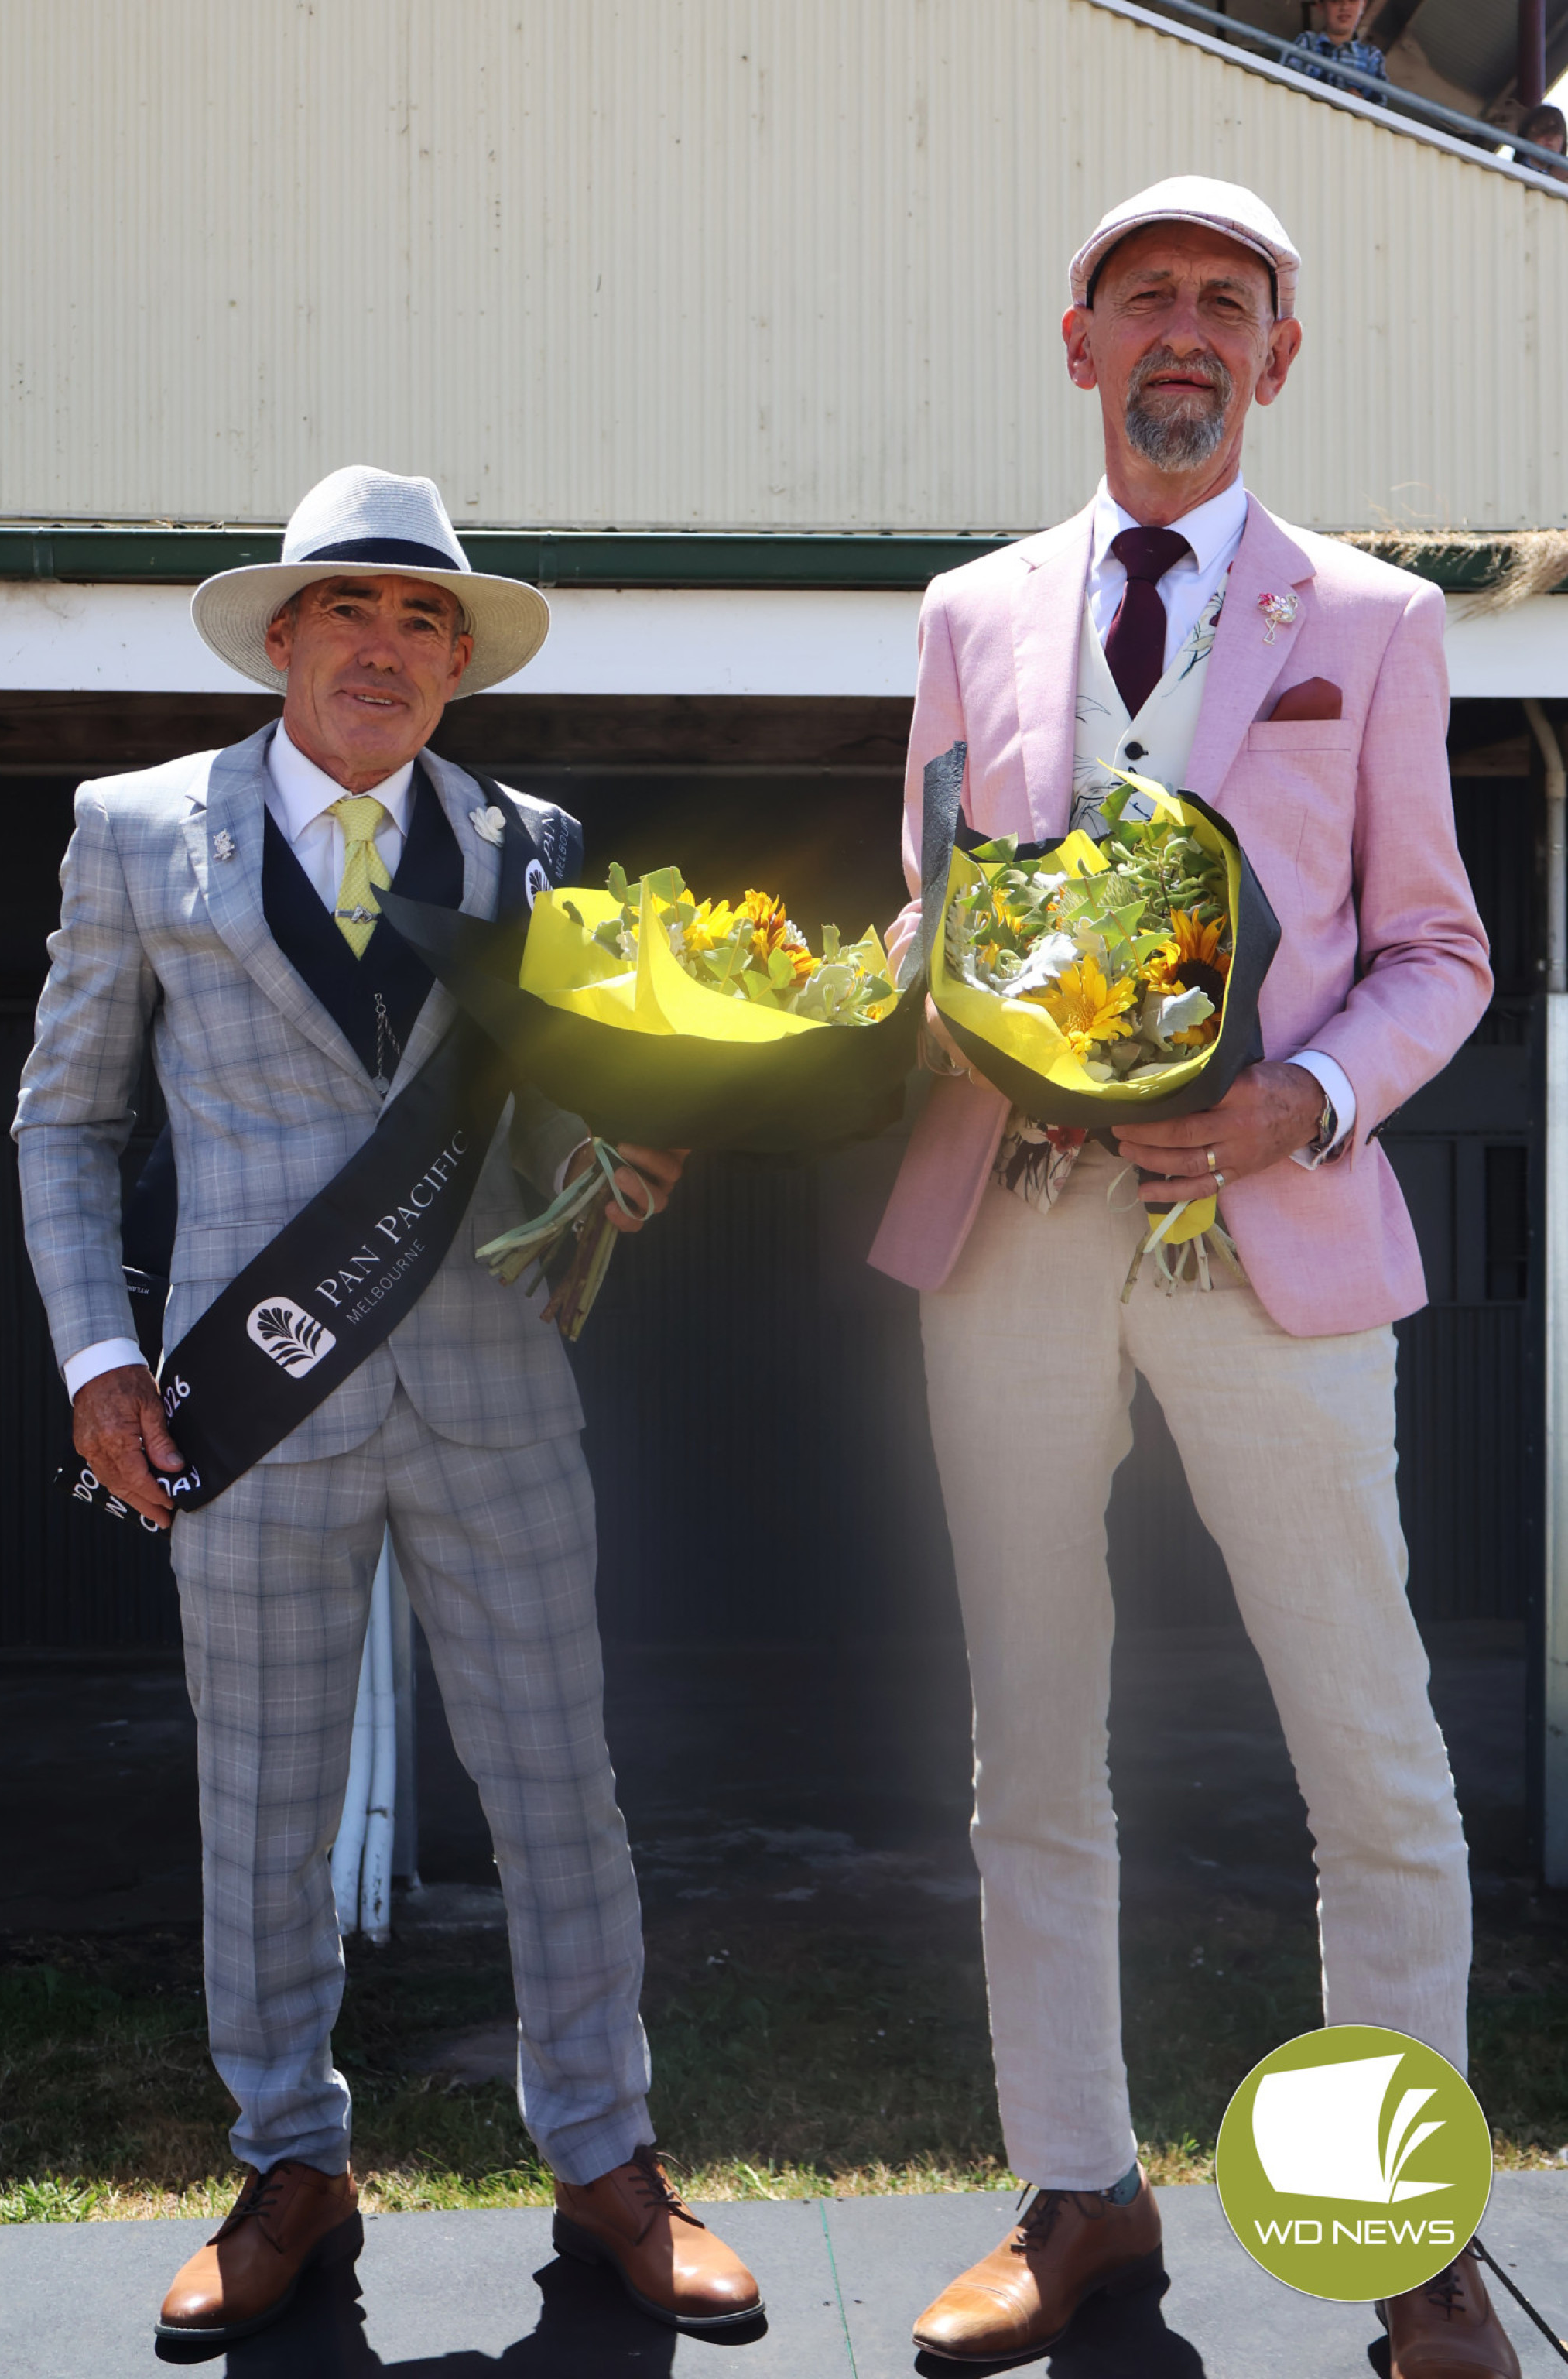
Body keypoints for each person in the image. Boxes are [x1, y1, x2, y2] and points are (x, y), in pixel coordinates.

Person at [869, 180, 1520, 2376]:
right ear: (1077, 343)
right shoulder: (966, 612)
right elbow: (938, 910)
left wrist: (1297, 1102)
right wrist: (823, 1007)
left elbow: (1438, 953)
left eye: (1224, 302)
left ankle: (1396, 2238)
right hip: (1012, 1238)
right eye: (1143, 294)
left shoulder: (1378, 623)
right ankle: (1079, 2196)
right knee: (1030, 1736)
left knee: (1371, 1750)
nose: (1184, 328)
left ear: (1275, 355)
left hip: (1276, 1243)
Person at [14, 465, 764, 2348]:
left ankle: (605, 2160)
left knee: (560, 1794)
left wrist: (614, 1164)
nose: (386, 643)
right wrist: (99, 1359)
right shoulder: (136, 831)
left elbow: (555, 1105)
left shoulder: (534, 842)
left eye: (424, 617)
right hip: (245, 1405)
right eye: (350, 606)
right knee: (261, 1806)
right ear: (282, 636)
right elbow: (65, 1122)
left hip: (493, 1390)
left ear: (456, 663)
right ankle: (289, 2163)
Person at [1293, 0, 1388, 98]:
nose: (1345, 7)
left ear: (1363, 4)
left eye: (1352, 0)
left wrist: (1358, 101)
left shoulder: (1372, 57)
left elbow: (1377, 103)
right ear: (1321, 7)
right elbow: (1288, 85)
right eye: (1336, 1)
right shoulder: (1307, 42)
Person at [1518, 102, 1568, 180]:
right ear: (1527, 133)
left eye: (1556, 132)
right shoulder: (1512, 172)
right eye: (1543, 130)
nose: (1550, 138)